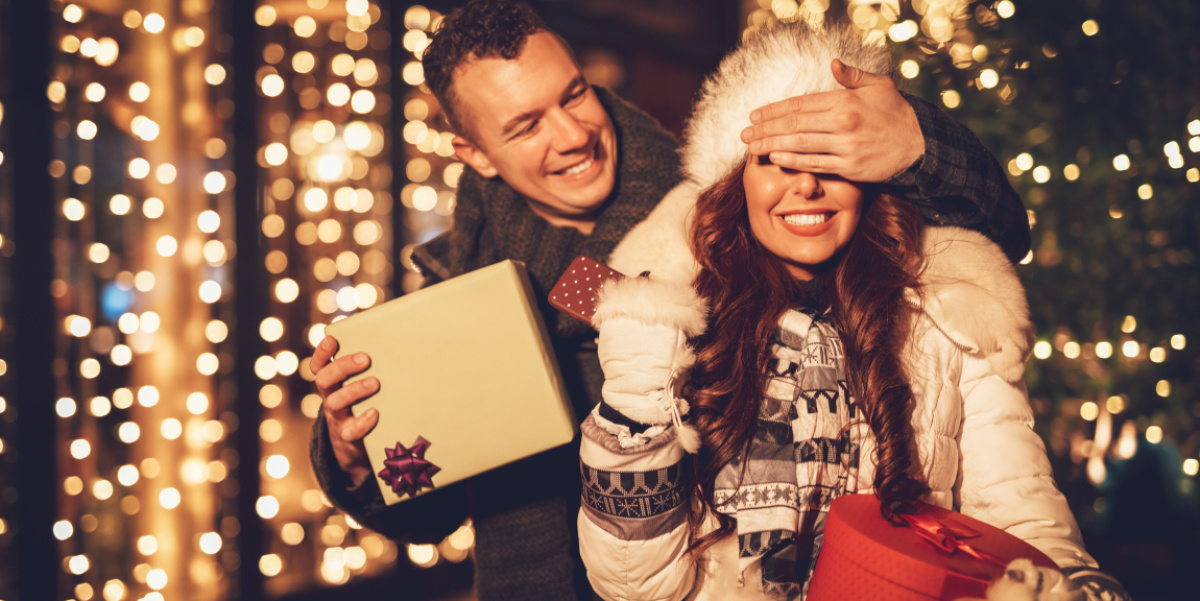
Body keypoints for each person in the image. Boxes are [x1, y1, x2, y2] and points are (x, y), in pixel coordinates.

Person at [308, 2, 1035, 600]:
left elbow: (992, 225)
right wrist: (354, 453)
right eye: (525, 125)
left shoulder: (710, 200)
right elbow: (431, 510)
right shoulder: (460, 279)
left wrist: (916, 141)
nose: (571, 135)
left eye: (573, 94)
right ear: (471, 153)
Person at [578, 21, 1129, 601]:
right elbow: (634, 588)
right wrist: (637, 395)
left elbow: (1022, 510)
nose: (808, 186)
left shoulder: (949, 310)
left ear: (871, 175)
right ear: (736, 180)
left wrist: (1064, 585)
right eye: (777, 162)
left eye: (831, 162)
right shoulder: (673, 321)